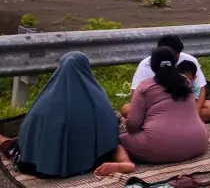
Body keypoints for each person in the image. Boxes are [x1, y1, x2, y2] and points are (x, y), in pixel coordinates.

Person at [2, 52, 134, 178]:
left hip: (37, 167)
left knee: (12, 144)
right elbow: (110, 125)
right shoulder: (98, 99)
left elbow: (27, 131)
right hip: (91, 161)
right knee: (113, 142)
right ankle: (124, 161)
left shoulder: (43, 103)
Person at [119, 47, 209, 164]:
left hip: (158, 148)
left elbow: (133, 124)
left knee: (116, 141)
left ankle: (125, 162)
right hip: (198, 143)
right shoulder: (187, 82)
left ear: (152, 66)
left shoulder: (144, 86)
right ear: (174, 63)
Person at [122, 34, 210, 123]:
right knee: (127, 109)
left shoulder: (189, 60)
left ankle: (163, 121)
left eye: (177, 56)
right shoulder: (146, 64)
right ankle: (170, 120)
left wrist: (195, 113)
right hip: (155, 107)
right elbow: (135, 94)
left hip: (184, 105)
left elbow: (201, 89)